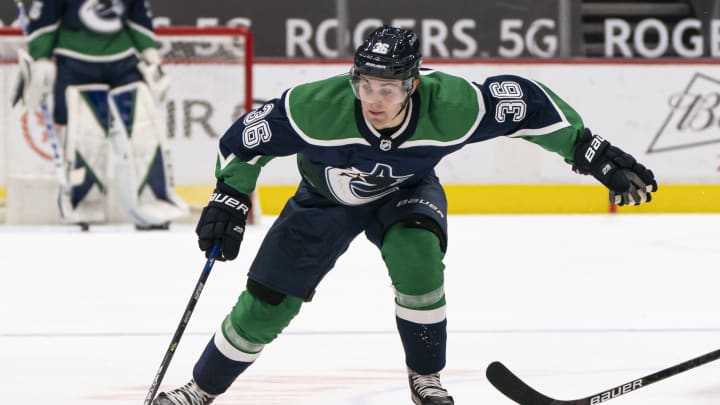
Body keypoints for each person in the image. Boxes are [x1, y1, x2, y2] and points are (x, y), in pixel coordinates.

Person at [154, 26, 658, 405]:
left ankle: (425, 378)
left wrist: (589, 149)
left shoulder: (454, 106)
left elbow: (527, 103)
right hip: (322, 199)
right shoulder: (315, 107)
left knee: (418, 260)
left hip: (406, 191)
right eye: (365, 86)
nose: (374, 100)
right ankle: (201, 388)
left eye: (388, 89)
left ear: (412, 85)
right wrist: (230, 196)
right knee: (267, 302)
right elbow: (245, 141)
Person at [19, 0, 187, 230]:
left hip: (125, 64)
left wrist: (150, 53)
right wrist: (40, 57)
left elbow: (138, 16)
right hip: (75, 64)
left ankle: (152, 205)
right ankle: (82, 204)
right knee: (85, 137)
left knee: (143, 135)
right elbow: (44, 20)